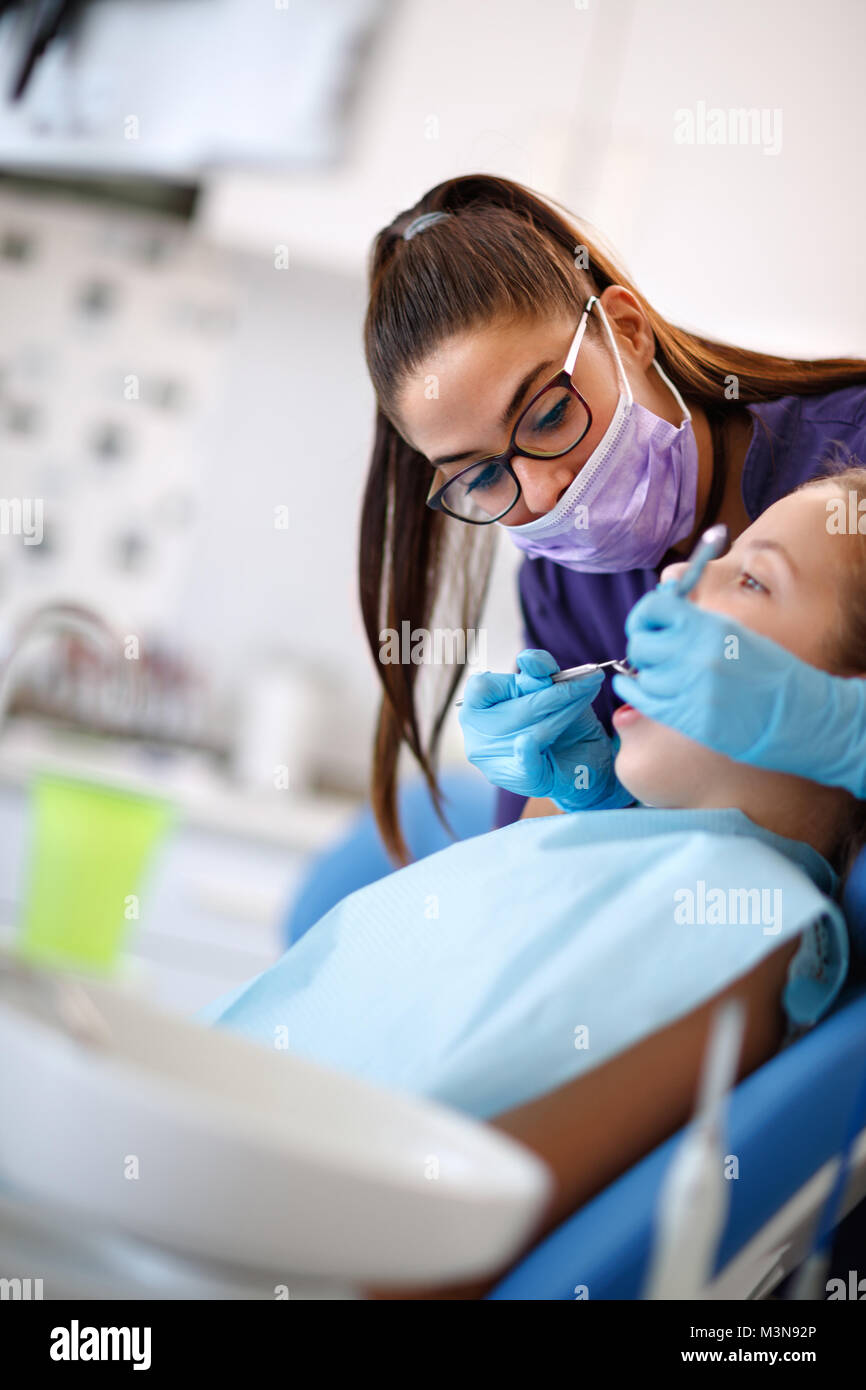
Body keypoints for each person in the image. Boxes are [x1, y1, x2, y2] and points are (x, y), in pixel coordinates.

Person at [204, 469, 866, 1298]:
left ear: (841, 699)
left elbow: (440, 1242)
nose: (669, 581)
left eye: (753, 577)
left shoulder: (754, 921)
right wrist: (561, 805)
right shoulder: (634, 851)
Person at [359, 173, 866, 859]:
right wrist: (590, 800)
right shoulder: (564, 590)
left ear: (626, 331)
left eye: (549, 413)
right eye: (481, 476)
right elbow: (539, 880)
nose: (543, 492)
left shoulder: (849, 450)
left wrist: (842, 732)